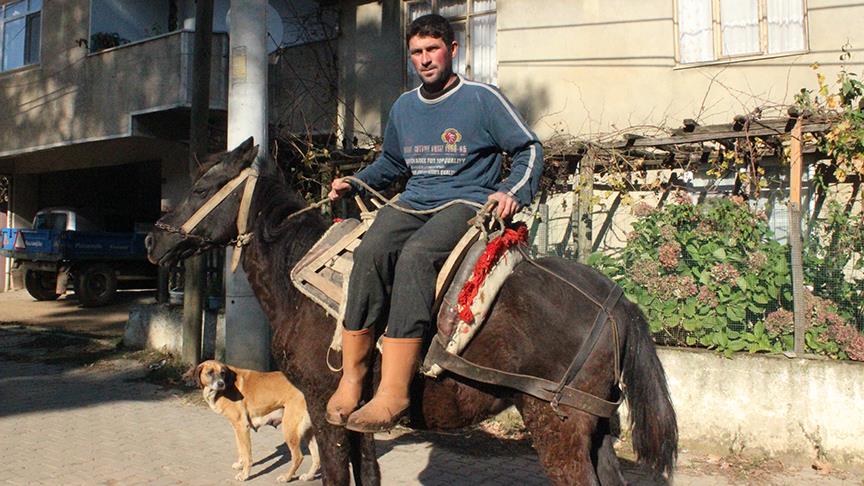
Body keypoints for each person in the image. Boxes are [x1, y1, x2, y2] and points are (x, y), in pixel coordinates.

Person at [325, 14, 544, 433]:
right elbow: (392, 163)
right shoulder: (404, 107)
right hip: (414, 201)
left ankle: (394, 390)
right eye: (416, 52)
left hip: (467, 202)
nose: (425, 59)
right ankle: (352, 378)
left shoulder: (483, 98)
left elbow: (529, 149)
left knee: (416, 256)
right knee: (370, 253)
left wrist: (511, 191)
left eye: (432, 49)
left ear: (453, 50)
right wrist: (356, 181)